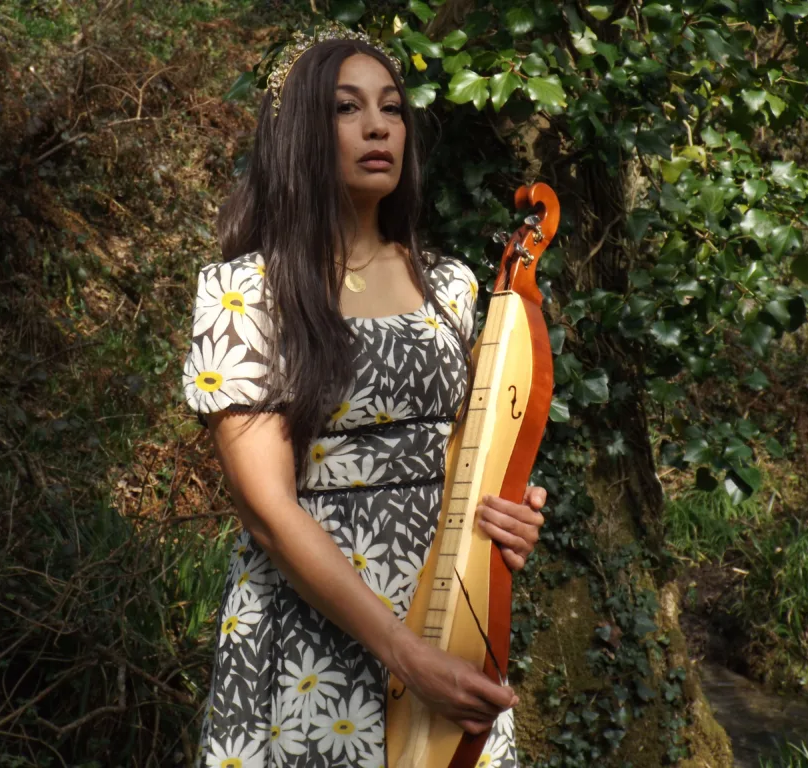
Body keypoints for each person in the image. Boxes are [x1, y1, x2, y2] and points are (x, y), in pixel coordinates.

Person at [181, 23, 548, 768]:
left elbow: (465, 461)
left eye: (391, 108)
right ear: (301, 136)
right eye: (346, 109)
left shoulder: (450, 288)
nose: (378, 125)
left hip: (451, 615)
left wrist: (509, 515)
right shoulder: (244, 294)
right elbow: (268, 513)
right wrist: (401, 653)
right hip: (311, 631)